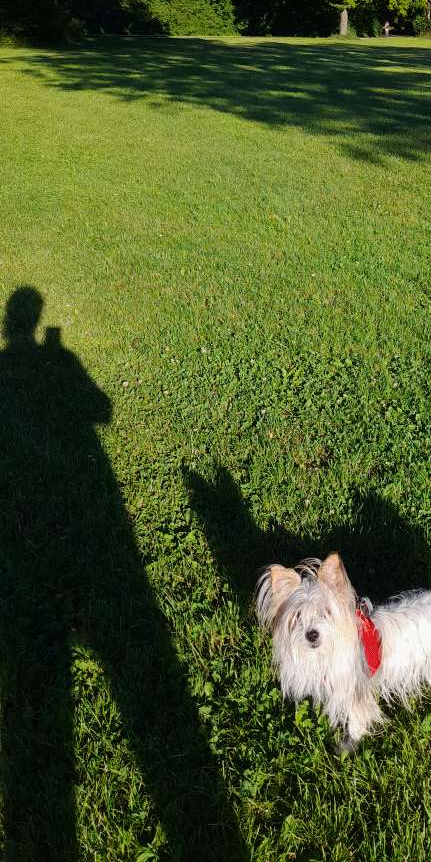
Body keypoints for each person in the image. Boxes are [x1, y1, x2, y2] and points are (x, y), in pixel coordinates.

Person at [0, 287, 242, 860]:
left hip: (25, 530)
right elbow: (101, 410)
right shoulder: (51, 359)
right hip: (91, 508)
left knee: (31, 684)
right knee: (139, 659)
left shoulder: (9, 366)